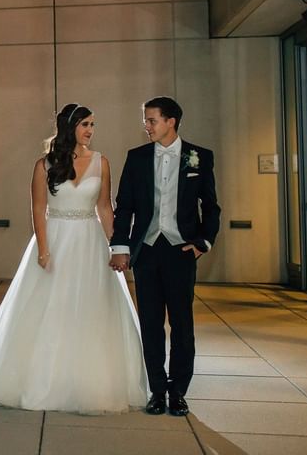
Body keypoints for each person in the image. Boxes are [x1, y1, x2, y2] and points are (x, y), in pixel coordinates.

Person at [0, 103, 148, 414]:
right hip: (55, 239)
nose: (91, 131)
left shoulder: (102, 162)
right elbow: (38, 209)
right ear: (70, 128)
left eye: (93, 124)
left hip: (90, 242)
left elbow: (106, 208)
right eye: (85, 125)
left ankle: (87, 379)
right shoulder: (44, 165)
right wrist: (43, 248)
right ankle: (40, 378)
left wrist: (117, 246)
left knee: (92, 308)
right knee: (51, 307)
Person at [109, 96, 220, 417]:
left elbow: (211, 207)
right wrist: (121, 246)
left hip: (181, 251)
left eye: (151, 120)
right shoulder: (137, 157)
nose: (146, 126)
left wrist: (203, 242)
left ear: (171, 121)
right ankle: (157, 390)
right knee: (151, 323)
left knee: (182, 324)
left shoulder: (200, 157)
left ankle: (179, 391)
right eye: (145, 120)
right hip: (146, 251)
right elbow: (125, 205)